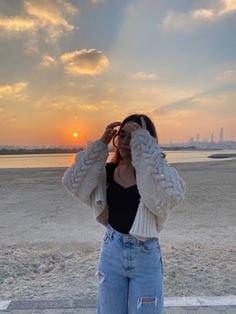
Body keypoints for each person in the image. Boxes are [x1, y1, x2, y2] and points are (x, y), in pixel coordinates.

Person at [62, 114, 186, 314]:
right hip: (112, 250)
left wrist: (145, 146)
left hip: (145, 253)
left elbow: (174, 194)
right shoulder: (107, 172)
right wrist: (101, 144)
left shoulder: (154, 175)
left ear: (147, 140)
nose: (126, 141)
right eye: (122, 135)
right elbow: (71, 182)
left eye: (134, 136)